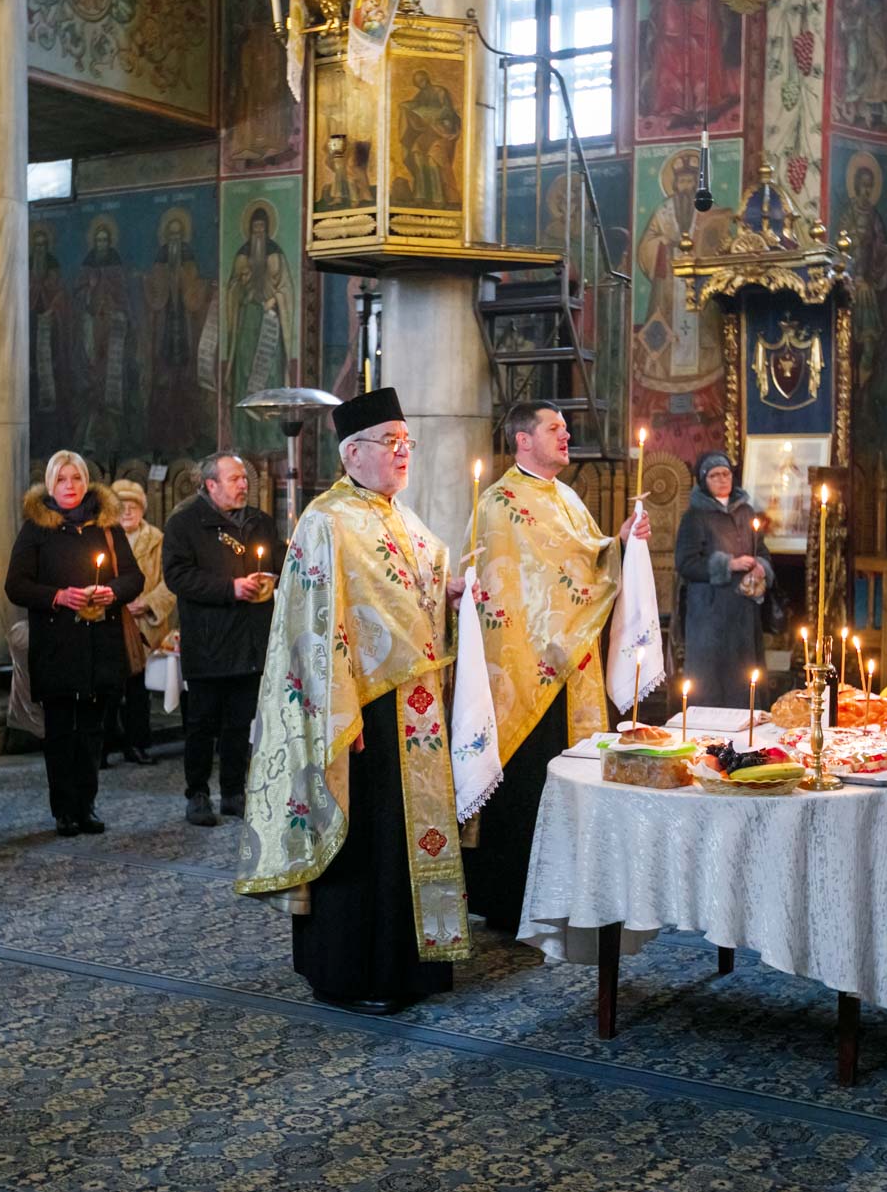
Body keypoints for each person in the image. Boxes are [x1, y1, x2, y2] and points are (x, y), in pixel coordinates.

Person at [239, 388, 469, 1014]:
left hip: (412, 707)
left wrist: (448, 592)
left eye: (406, 443)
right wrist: (339, 708)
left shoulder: (401, 516)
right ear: (353, 452)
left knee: (403, 841)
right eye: (391, 443)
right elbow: (311, 624)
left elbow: (413, 591)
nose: (403, 454)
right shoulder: (326, 520)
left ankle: (411, 966)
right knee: (363, 842)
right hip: (358, 713)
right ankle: (348, 973)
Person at [460, 401, 646, 937]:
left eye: (566, 428)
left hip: (568, 660)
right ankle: (507, 898)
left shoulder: (565, 498)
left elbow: (586, 563)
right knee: (522, 784)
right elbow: (504, 586)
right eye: (554, 428)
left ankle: (561, 890)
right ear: (522, 439)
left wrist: (624, 541)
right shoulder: (497, 504)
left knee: (561, 776)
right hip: (521, 668)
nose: (566, 435)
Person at [5, 451, 144, 836]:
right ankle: (64, 809)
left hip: (101, 644)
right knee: (62, 732)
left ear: (87, 482)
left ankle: (87, 805)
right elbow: (16, 585)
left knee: (92, 732)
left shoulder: (107, 526)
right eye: (62, 480)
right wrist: (58, 596)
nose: (70, 487)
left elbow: (134, 578)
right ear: (50, 485)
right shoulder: (37, 528)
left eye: (77, 479)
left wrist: (110, 591)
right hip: (58, 645)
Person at [162, 452, 282, 826]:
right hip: (209, 638)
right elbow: (177, 576)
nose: (244, 484)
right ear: (210, 485)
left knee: (239, 721)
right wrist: (230, 587)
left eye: (245, 478)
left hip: (250, 638)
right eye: (234, 479)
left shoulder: (260, 523)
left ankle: (233, 792)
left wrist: (274, 576)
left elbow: (276, 562)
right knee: (202, 722)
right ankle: (197, 793)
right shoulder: (185, 525)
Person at [674, 452, 774, 706]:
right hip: (710, 616)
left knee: (744, 679)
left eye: (726, 474)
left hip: (743, 614)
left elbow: (761, 551)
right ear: (704, 481)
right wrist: (727, 564)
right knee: (713, 684)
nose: (721, 479)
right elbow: (686, 564)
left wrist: (760, 567)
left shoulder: (746, 511)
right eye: (714, 475)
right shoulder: (694, 516)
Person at [106, 479, 176, 766]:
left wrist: (146, 603)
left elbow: (169, 582)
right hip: (113, 620)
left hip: (144, 625)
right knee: (109, 687)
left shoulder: (156, 539)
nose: (127, 512)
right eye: (121, 506)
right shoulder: (104, 538)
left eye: (133, 506)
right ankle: (105, 745)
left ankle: (137, 744)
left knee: (137, 689)